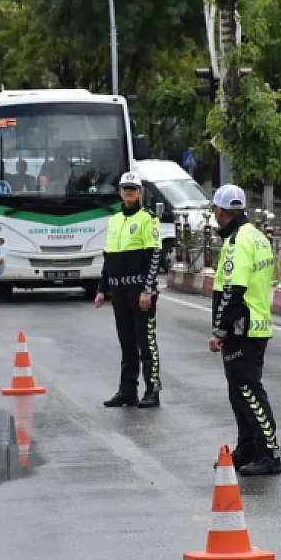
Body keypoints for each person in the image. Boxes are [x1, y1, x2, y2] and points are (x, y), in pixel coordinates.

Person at [209, 184, 281, 476]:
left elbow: (233, 288)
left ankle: (269, 451)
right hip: (255, 322)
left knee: (248, 390)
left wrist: (220, 330)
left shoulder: (238, 241)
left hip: (244, 326)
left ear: (219, 210)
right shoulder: (256, 235)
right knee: (239, 391)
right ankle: (248, 447)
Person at [95, 171, 163, 408]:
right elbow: (109, 257)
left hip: (139, 290)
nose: (128, 192)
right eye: (125, 188)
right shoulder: (114, 219)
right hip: (118, 290)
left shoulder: (148, 218)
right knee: (126, 343)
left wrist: (147, 289)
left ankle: (152, 390)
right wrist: (102, 289)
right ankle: (128, 390)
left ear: (140, 192)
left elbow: (154, 255)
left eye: (133, 188)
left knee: (146, 342)